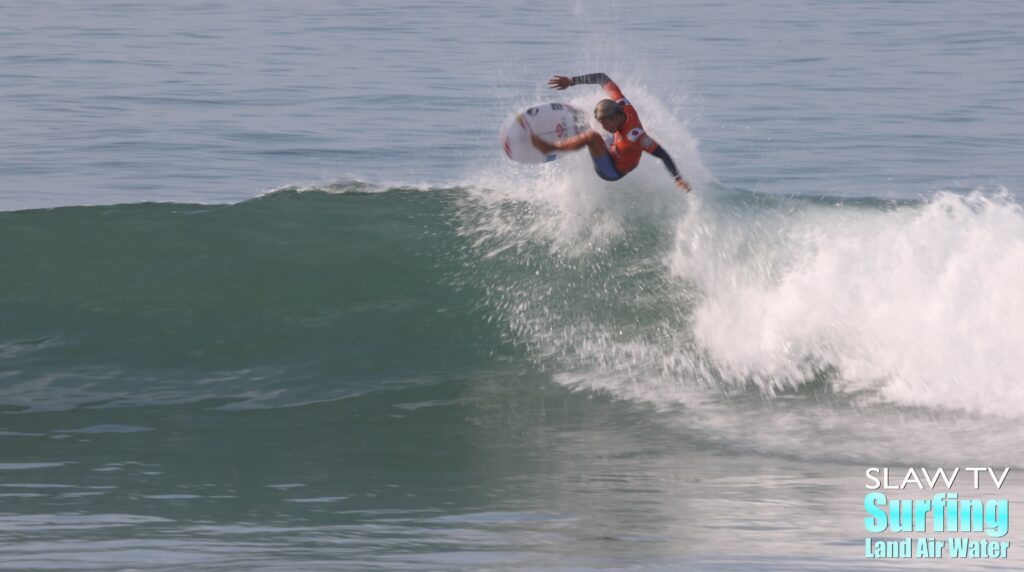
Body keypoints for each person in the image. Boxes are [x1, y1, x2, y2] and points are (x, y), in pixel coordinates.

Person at [531, 73, 691, 192]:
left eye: (605, 124)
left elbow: (662, 154)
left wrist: (677, 178)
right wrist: (572, 81)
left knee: (592, 136)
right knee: (584, 121)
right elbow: (602, 78)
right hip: (614, 146)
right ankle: (571, 135)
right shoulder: (621, 104)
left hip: (613, 170)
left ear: (616, 117)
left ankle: (551, 147)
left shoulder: (636, 136)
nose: (604, 127)